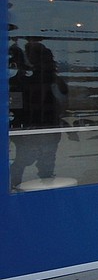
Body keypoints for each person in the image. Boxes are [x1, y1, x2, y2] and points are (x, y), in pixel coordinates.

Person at [10, 40, 69, 189]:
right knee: (43, 163)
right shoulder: (55, 81)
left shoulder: (24, 81)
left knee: (23, 162)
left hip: (35, 129)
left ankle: (16, 189)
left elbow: (16, 107)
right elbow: (63, 106)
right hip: (46, 129)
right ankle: (41, 189)